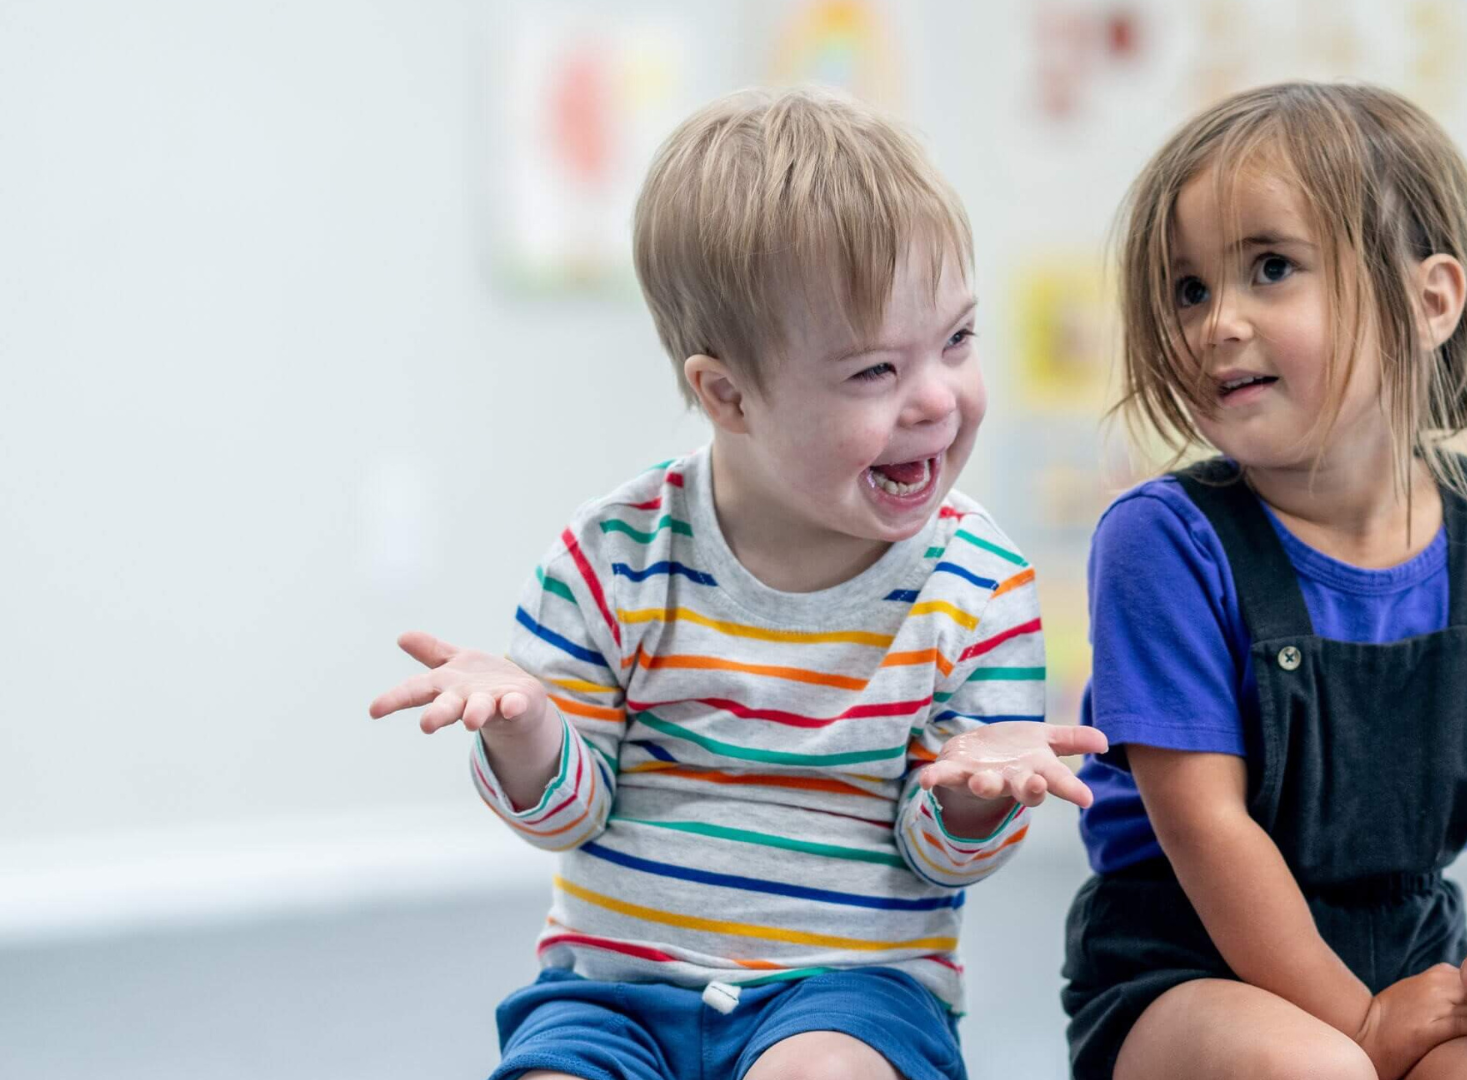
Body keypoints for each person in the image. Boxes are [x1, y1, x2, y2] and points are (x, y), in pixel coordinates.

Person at [369, 85, 1105, 1080]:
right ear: (728, 395)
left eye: (958, 341)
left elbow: (939, 856)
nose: (937, 398)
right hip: (610, 992)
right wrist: (527, 727)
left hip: (851, 992)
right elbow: (568, 814)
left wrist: (978, 798)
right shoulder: (612, 556)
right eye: (876, 371)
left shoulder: (980, 584)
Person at [1061, 82, 1467, 1080]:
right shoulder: (1164, 544)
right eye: (1189, 290)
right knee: (1314, 1071)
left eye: (1270, 268)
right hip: (1185, 974)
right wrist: (1355, 1025)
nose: (1217, 321)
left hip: (1413, 948)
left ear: (1429, 298)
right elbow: (1205, 827)